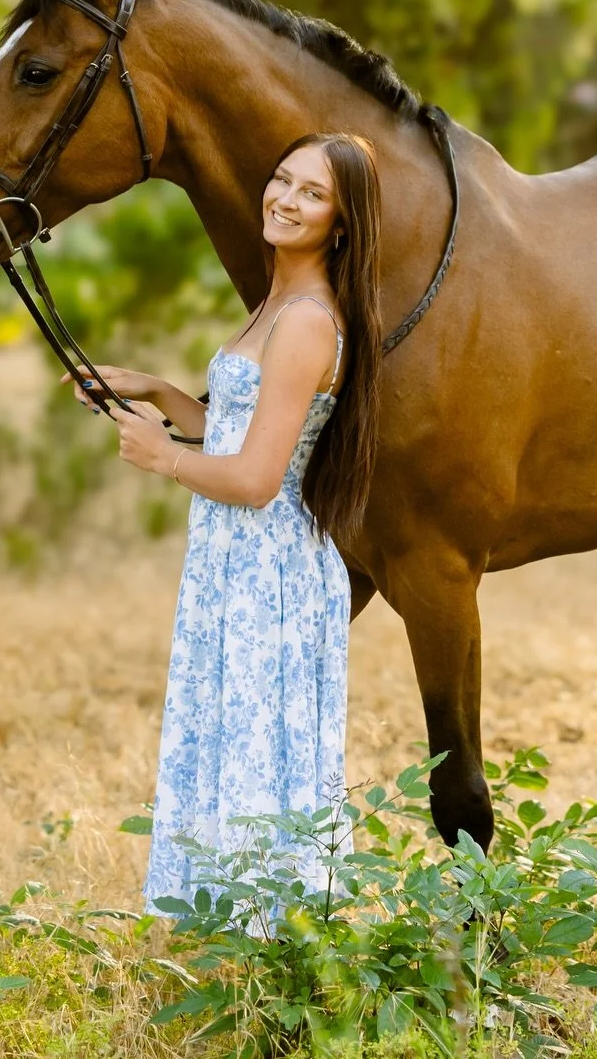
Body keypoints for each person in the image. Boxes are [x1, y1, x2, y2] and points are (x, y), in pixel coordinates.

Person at [72, 131, 383, 908]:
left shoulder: (308, 319)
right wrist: (152, 391)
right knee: (228, 752)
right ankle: (232, 941)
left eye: (313, 193)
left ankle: (274, 949)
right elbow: (239, 426)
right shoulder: (276, 302)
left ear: (341, 223)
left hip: (268, 570)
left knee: (257, 766)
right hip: (235, 565)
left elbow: (252, 476)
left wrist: (160, 456)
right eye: (282, 180)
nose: (286, 199)